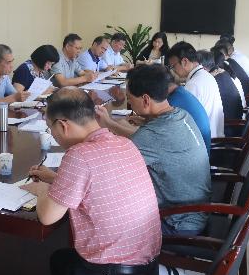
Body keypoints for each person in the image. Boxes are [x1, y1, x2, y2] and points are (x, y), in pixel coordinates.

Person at [14, 87, 161, 275]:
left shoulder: (79, 155)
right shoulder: (124, 142)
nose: (52, 135)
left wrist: (42, 189)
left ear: (63, 125)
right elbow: (100, 182)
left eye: (50, 128)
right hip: (146, 269)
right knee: (60, 259)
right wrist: (55, 178)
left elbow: (47, 216)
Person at [94, 65, 211, 237]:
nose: (129, 103)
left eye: (130, 98)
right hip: (197, 210)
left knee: (106, 213)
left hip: (178, 223)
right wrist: (110, 123)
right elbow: (148, 141)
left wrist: (101, 127)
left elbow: (106, 170)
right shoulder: (181, 114)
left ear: (146, 100)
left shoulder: (151, 135)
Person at [166, 41, 224, 138]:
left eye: (173, 66)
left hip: (207, 140)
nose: (173, 70)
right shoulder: (205, 75)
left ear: (184, 62)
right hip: (215, 135)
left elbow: (179, 120)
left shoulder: (193, 85)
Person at [197, 50, 244, 137]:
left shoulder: (211, 79)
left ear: (201, 66)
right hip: (234, 124)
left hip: (228, 130)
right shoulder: (222, 73)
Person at [165, 68, 211, 154]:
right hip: (202, 150)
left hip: (196, 154)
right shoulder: (181, 92)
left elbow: (158, 130)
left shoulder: (172, 102)